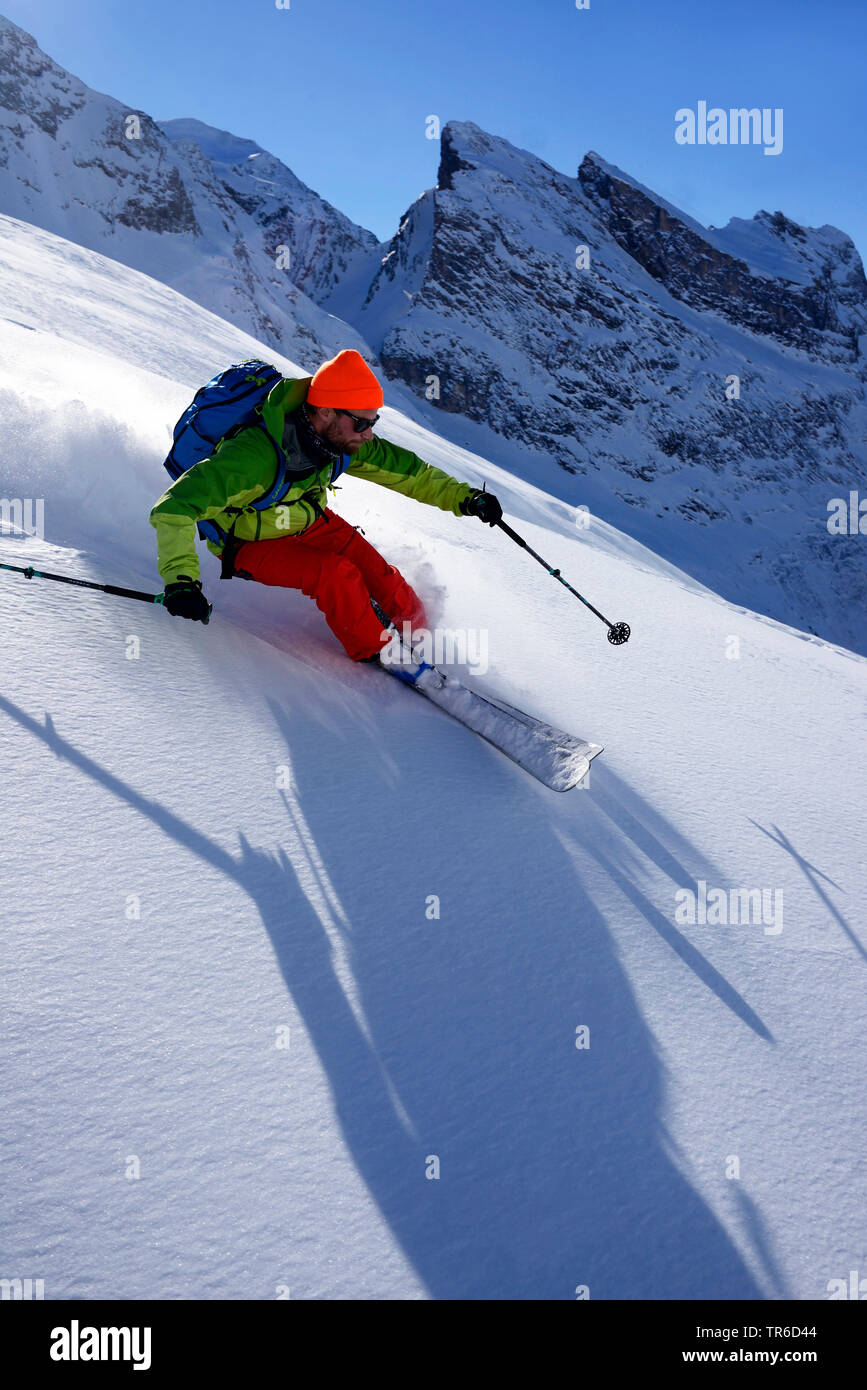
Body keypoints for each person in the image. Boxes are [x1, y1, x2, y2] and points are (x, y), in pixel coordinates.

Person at [150, 349, 502, 662]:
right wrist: (181, 582)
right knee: (335, 575)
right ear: (324, 411)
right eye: (361, 423)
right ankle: (380, 652)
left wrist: (467, 499)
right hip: (246, 541)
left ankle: (423, 641)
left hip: (306, 519)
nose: (368, 434)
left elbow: (412, 475)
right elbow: (175, 507)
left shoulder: (344, 440)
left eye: (373, 422)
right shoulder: (254, 457)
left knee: (383, 578)